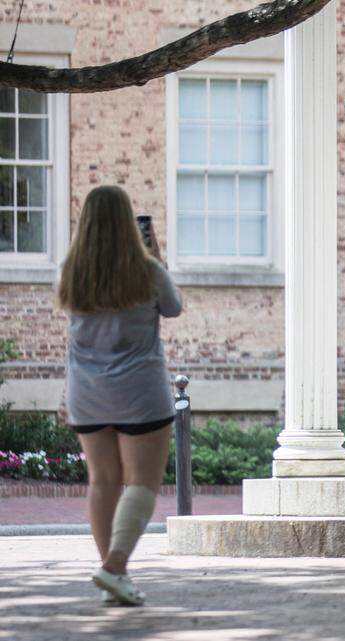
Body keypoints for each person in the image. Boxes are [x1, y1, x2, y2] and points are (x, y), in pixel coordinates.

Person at [57, 185, 182, 605]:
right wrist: (156, 258)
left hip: (86, 393)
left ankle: (116, 574)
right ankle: (114, 566)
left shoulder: (70, 271)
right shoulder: (147, 272)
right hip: (140, 392)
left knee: (103, 481)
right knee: (142, 483)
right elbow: (173, 307)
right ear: (130, 223)